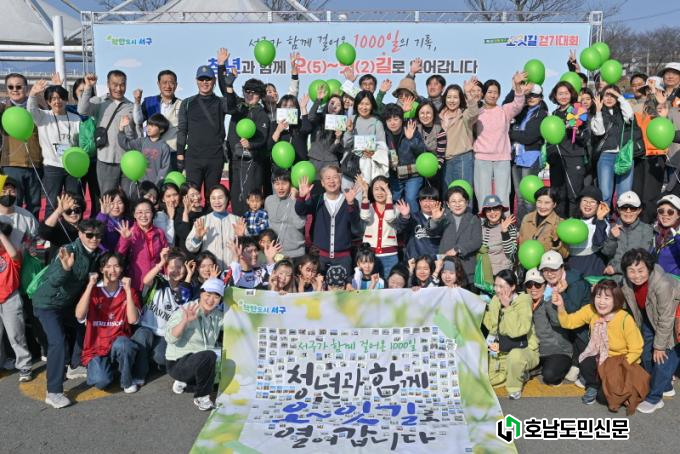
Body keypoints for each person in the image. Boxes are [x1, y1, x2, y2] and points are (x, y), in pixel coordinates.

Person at [32, 219, 103, 408]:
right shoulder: (68, 251)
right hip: (47, 303)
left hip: (65, 304)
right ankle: (53, 391)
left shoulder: (94, 253)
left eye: (97, 235)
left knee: (84, 322)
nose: (94, 239)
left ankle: (75, 365)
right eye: (89, 235)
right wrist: (65, 268)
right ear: (80, 234)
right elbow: (54, 280)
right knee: (57, 342)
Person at [554, 280, 645, 409]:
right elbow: (568, 322)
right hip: (602, 357)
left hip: (622, 361)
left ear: (616, 299)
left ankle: (625, 386)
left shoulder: (625, 318)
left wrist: (619, 367)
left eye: (607, 298)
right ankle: (593, 385)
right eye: (598, 296)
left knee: (603, 398)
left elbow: (636, 349)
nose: (601, 302)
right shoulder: (591, 310)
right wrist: (560, 306)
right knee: (585, 358)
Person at [621, 249, 680, 413]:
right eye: (631, 271)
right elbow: (626, 303)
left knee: (663, 358)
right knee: (646, 354)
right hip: (650, 316)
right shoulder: (626, 282)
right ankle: (665, 386)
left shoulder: (663, 285)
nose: (636, 276)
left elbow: (666, 319)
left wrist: (660, 346)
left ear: (649, 268)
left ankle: (654, 398)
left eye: (641, 270)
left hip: (673, 319)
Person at [76, 254, 142, 393]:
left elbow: (132, 320)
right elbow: (79, 315)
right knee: (102, 381)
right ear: (101, 269)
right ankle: (108, 368)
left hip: (118, 342)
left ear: (121, 269)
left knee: (124, 345)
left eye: (116, 266)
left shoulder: (128, 291)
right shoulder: (94, 290)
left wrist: (128, 291)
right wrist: (90, 285)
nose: (112, 270)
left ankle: (126, 381)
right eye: (108, 266)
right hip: (96, 347)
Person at [219, 48, 271, 214]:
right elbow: (226, 90)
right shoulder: (239, 106)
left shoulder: (262, 114)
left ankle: (252, 227)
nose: (249, 95)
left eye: (254, 93)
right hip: (235, 160)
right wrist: (222, 66)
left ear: (260, 95)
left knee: (251, 200)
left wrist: (251, 144)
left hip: (253, 162)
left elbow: (263, 138)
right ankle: (238, 227)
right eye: (247, 92)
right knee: (236, 198)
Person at [165, 278, 224, 411]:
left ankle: (185, 384)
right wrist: (185, 322)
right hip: (178, 363)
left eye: (216, 297)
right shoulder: (187, 309)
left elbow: (236, 324)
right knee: (209, 356)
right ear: (201, 293)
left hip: (199, 362)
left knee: (219, 380)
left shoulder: (217, 315)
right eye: (208, 295)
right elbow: (170, 338)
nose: (211, 300)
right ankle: (201, 397)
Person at [26, 79, 82, 218]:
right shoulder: (43, 116)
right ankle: (50, 229)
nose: (58, 101)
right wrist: (33, 94)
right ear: (48, 102)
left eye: (61, 98)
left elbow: (81, 142)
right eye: (53, 99)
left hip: (73, 167)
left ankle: (74, 227)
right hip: (52, 166)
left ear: (66, 99)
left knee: (74, 202)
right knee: (52, 202)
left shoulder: (76, 119)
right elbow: (31, 110)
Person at [134, 247, 192, 379]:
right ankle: (139, 374)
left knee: (160, 358)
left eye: (180, 267)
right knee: (142, 337)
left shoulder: (185, 288)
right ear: (166, 268)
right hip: (146, 327)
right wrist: (161, 263)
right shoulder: (159, 280)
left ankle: (152, 360)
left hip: (164, 334)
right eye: (172, 267)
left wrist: (189, 275)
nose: (176, 270)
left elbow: (182, 298)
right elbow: (146, 281)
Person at [295, 166, 361, 279]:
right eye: (328, 178)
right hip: (320, 257)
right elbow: (300, 210)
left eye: (335, 177)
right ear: (322, 182)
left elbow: (356, 225)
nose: (332, 181)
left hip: (343, 258)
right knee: (319, 287)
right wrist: (301, 197)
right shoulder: (317, 199)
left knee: (343, 288)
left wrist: (350, 204)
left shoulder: (349, 199)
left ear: (340, 180)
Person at [483, 270, 539, 400]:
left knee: (515, 356)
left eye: (501, 286)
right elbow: (492, 327)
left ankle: (514, 388)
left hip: (524, 350)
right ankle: (518, 374)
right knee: (486, 380)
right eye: (495, 285)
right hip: (501, 349)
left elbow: (516, 331)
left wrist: (508, 307)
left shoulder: (523, 301)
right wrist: (481, 310)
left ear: (513, 287)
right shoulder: (495, 300)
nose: (497, 289)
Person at [177, 64, 229, 201]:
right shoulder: (187, 103)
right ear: (196, 81)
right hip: (193, 158)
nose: (205, 82)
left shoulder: (221, 102)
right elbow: (182, 130)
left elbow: (232, 106)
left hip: (215, 157)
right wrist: (180, 154)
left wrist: (223, 71)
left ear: (214, 81)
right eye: (201, 79)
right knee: (192, 197)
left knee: (212, 197)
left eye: (208, 79)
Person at [473, 72, 526, 209]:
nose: (492, 95)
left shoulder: (504, 110)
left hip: (502, 158)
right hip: (482, 158)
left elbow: (518, 104)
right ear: (484, 94)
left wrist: (517, 86)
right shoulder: (476, 112)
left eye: (495, 92)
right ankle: (484, 221)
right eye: (489, 92)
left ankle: (504, 221)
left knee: (503, 195)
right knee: (482, 194)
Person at [77, 71, 135, 193]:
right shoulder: (99, 101)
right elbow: (82, 110)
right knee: (108, 197)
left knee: (130, 197)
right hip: (106, 159)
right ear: (108, 84)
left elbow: (137, 133)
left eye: (122, 85)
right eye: (115, 84)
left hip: (128, 161)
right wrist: (88, 86)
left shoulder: (131, 106)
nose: (119, 88)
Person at [539, 250, 591, 384]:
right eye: (545, 270)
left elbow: (573, 314)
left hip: (581, 331)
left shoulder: (575, 283)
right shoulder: (546, 284)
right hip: (562, 329)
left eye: (553, 269)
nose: (549, 274)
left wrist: (562, 293)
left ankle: (577, 363)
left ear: (562, 268)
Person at [0, 73, 43, 217]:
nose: (15, 90)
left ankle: (33, 230)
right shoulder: (2, 109)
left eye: (18, 86)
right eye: (10, 87)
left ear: (26, 88)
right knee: (12, 203)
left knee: (34, 204)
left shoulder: (38, 108)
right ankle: (11, 230)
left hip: (35, 164)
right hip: (11, 164)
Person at [547, 81, 589, 217]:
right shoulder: (553, 114)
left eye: (566, 93)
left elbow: (586, 136)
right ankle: (559, 225)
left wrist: (577, 131)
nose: (563, 96)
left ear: (571, 94)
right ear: (555, 96)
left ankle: (573, 224)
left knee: (574, 195)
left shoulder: (578, 110)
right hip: (556, 159)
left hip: (573, 157)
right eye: (560, 94)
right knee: (558, 196)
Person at [525, 268, 572, 385]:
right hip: (536, 352)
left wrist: (550, 300)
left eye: (537, 284)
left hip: (558, 351)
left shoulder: (550, 300)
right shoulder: (524, 304)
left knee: (550, 376)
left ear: (544, 286)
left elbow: (558, 322)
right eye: (529, 285)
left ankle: (560, 367)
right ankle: (539, 367)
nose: (533, 288)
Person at [508, 84, 548, 222]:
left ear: (541, 97)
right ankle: (520, 226)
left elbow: (529, 137)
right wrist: (516, 88)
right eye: (529, 95)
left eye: (535, 95)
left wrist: (510, 132)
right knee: (519, 198)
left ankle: (532, 225)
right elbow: (507, 106)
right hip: (516, 158)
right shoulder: (522, 111)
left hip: (530, 158)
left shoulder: (541, 114)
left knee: (528, 197)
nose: (531, 98)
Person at [591, 85, 635, 206]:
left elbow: (630, 116)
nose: (610, 98)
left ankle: (622, 217)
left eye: (613, 95)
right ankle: (604, 217)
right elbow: (599, 132)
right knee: (605, 194)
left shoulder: (622, 111)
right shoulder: (597, 113)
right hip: (606, 156)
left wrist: (619, 96)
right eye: (607, 95)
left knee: (624, 194)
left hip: (624, 155)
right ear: (601, 97)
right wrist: (598, 111)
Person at [428, 186, 482, 284]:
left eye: (461, 201)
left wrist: (458, 249)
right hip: (446, 270)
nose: (457, 204)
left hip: (467, 270)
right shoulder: (443, 218)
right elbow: (432, 232)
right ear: (448, 204)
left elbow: (477, 241)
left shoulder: (474, 219)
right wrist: (435, 220)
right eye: (453, 201)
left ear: (467, 202)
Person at [0, 221, 32, 382]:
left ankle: (24, 365)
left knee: (16, 334)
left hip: (10, 298)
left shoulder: (12, 254)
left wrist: (1, 234)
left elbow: (14, 255)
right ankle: (2, 362)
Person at [132, 70, 182, 170]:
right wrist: (137, 102)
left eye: (171, 83)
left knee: (171, 180)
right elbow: (138, 121)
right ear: (158, 84)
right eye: (164, 82)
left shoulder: (182, 105)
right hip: (152, 152)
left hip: (173, 153)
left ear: (176, 85)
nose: (168, 86)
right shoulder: (149, 102)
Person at [185, 185, 244, 269]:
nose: (217, 201)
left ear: (227, 199)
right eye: (213, 198)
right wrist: (197, 237)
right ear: (209, 200)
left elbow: (248, 249)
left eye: (220, 198)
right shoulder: (203, 220)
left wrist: (242, 237)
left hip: (233, 269)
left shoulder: (237, 220)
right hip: (210, 271)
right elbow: (190, 247)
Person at [116, 199, 168, 293]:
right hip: (136, 283)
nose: (143, 216)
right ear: (134, 215)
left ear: (152, 214)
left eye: (147, 212)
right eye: (139, 212)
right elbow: (118, 255)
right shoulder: (129, 232)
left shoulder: (159, 233)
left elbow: (166, 258)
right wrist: (125, 239)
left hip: (156, 282)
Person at [343, 91, 389, 198]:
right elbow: (345, 144)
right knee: (346, 195)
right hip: (350, 164)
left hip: (366, 166)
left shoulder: (377, 123)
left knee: (360, 196)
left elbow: (382, 147)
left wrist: (373, 152)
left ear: (372, 105)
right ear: (356, 104)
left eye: (367, 104)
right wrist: (349, 131)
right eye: (361, 103)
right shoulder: (351, 119)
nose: (364, 107)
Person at [438, 79, 480, 190]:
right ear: (445, 98)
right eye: (449, 97)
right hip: (444, 161)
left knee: (463, 192)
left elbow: (474, 112)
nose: (452, 100)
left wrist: (468, 94)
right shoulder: (439, 116)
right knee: (448, 193)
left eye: (455, 97)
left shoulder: (464, 115)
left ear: (460, 99)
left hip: (462, 158)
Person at [383, 104, 424, 213]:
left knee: (410, 198)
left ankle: (416, 222)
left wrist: (411, 139)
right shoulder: (384, 134)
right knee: (394, 199)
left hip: (413, 174)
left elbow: (422, 152)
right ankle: (400, 222)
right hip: (394, 175)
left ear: (402, 119)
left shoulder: (411, 129)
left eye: (396, 119)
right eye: (389, 120)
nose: (392, 123)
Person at [601, 191, 653, 277]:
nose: (628, 211)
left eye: (632, 208)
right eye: (624, 208)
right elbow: (607, 253)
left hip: (636, 277)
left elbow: (643, 258)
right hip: (614, 277)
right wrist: (612, 238)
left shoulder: (646, 229)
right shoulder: (613, 227)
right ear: (618, 210)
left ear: (639, 210)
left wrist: (616, 268)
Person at [118, 113, 171, 196]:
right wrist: (121, 129)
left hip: (155, 186)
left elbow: (164, 168)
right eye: (148, 124)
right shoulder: (142, 141)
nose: (149, 128)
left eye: (153, 126)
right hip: (140, 184)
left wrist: (156, 186)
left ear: (161, 130)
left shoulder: (164, 147)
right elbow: (127, 145)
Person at [357, 175, 398, 278]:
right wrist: (365, 192)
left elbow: (389, 217)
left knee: (389, 284)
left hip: (390, 255)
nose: (379, 192)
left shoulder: (396, 208)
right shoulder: (367, 206)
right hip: (370, 256)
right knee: (370, 284)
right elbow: (364, 216)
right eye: (376, 189)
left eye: (383, 189)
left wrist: (389, 196)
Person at [566, 186, 610, 277]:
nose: (588, 204)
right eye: (585, 200)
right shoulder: (570, 222)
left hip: (593, 265)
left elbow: (599, 243)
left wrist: (600, 220)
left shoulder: (603, 223)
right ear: (579, 202)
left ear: (599, 205)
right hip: (573, 265)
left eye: (592, 202)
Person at [306, 89, 348, 181]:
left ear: (341, 109)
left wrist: (337, 139)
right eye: (332, 103)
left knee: (332, 187)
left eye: (338, 105)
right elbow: (311, 117)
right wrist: (318, 100)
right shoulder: (319, 118)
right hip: (315, 160)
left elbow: (334, 150)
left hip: (331, 163)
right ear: (327, 104)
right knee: (315, 187)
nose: (334, 106)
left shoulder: (342, 124)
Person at [264, 169, 306, 259]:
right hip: (275, 253)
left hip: (296, 254)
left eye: (284, 183)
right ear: (273, 185)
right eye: (277, 184)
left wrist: (294, 199)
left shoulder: (299, 201)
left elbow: (299, 224)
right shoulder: (269, 200)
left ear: (291, 184)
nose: (280, 187)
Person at [518, 187, 568, 258]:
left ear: (554, 204)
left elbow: (565, 255)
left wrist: (556, 241)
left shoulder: (561, 224)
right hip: (526, 262)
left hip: (548, 264)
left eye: (547, 203)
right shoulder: (527, 218)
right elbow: (521, 244)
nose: (542, 206)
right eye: (539, 201)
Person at [394, 185, 442, 260]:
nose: (428, 204)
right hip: (415, 261)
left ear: (437, 202)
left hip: (435, 261)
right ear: (419, 202)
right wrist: (405, 216)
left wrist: (436, 220)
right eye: (425, 201)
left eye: (431, 201)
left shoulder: (444, 219)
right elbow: (400, 228)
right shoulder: (413, 218)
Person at [38, 192, 83, 261]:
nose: (73, 213)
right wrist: (59, 211)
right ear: (62, 213)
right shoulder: (58, 227)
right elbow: (44, 232)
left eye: (76, 210)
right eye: (68, 211)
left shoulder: (86, 226)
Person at [480, 194, 517, 276]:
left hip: (503, 273)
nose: (492, 212)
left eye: (495, 208)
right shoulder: (481, 228)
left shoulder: (510, 226)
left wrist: (504, 231)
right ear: (485, 212)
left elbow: (511, 253)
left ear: (501, 210)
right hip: (485, 273)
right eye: (488, 209)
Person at [269, 94, 310, 165]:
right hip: (280, 167)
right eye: (284, 106)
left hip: (299, 166)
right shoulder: (274, 124)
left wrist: (303, 108)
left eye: (291, 106)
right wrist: (278, 131)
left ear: (296, 109)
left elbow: (308, 129)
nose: (288, 108)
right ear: (279, 108)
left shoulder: (300, 123)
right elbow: (269, 146)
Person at [0, 176, 39, 251]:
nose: (8, 194)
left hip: (20, 256)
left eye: (12, 191)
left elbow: (35, 238)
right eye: (3, 191)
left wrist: (31, 247)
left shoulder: (27, 216)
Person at [175, 182, 205, 254]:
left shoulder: (206, 211)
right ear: (184, 198)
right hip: (187, 255)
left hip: (203, 253)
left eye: (197, 193)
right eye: (192, 195)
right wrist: (186, 213)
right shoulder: (179, 212)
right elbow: (184, 235)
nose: (196, 197)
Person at [653, 194, 680, 276]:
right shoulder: (655, 231)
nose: (665, 214)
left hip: (674, 281)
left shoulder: (678, 235)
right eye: (661, 211)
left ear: (678, 215)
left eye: (670, 212)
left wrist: (677, 238)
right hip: (655, 279)